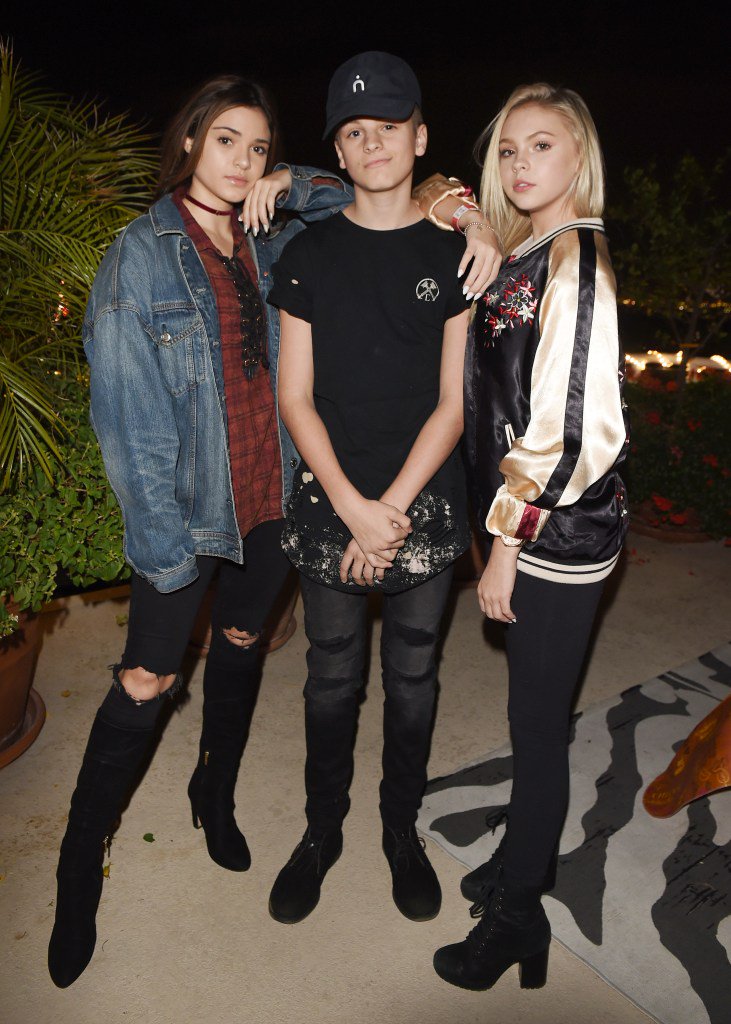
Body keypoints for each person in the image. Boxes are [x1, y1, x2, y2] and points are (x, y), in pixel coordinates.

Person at [47, 74, 355, 988]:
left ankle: (211, 792)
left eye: (258, 148)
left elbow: (356, 198)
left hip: (273, 494)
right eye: (227, 141)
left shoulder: (273, 233)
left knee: (243, 642)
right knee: (147, 679)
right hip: (186, 512)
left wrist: (291, 182)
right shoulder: (140, 255)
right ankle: (78, 866)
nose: (243, 162)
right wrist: (165, 551)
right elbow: (128, 423)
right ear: (188, 141)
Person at [266, 51, 501, 926]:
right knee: (330, 678)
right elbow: (294, 396)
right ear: (337, 148)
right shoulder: (307, 254)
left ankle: (398, 829)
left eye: (389, 128)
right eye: (355, 132)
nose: (373, 144)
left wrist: (390, 511)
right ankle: (320, 831)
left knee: (412, 676)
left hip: (422, 500)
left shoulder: (454, 253)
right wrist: (353, 509)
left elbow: (452, 402)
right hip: (333, 496)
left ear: (420, 138)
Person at [419, 84, 629, 990]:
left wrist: (505, 544)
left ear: (578, 155)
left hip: (553, 534)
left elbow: (574, 432)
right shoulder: (528, 246)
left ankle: (518, 918)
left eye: (540, 145)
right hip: (526, 522)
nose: (518, 163)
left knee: (537, 731)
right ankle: (519, 864)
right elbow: (433, 185)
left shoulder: (574, 262)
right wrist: (460, 208)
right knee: (530, 716)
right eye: (506, 149)